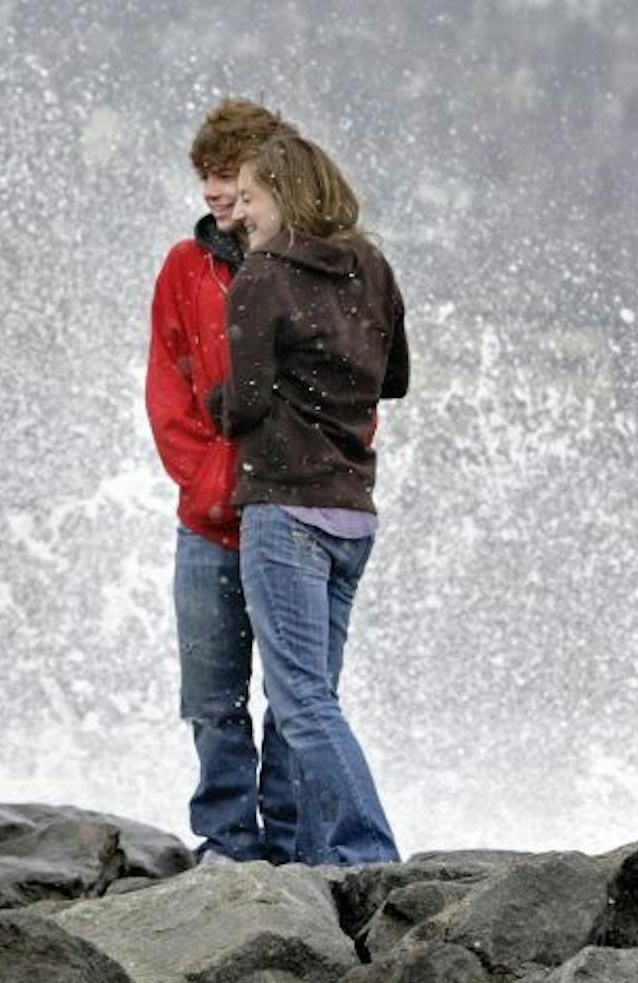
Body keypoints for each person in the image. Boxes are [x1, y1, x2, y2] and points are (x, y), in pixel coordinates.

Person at [213, 131, 409, 865]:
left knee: (301, 702)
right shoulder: (372, 266)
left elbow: (248, 402)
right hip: (352, 511)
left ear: (286, 198)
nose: (241, 216)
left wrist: (216, 402)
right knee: (315, 697)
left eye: (253, 200)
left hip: (286, 508)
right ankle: (325, 859)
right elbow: (394, 380)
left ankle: (368, 854)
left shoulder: (262, 275)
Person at [147, 99, 301, 864]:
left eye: (228, 179)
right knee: (211, 698)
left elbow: (352, 388)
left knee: (295, 699)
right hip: (206, 517)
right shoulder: (185, 266)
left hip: (292, 514)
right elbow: (167, 391)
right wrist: (211, 477)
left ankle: (292, 840)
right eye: (205, 181)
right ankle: (228, 841)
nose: (215, 196)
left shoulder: (315, 263)